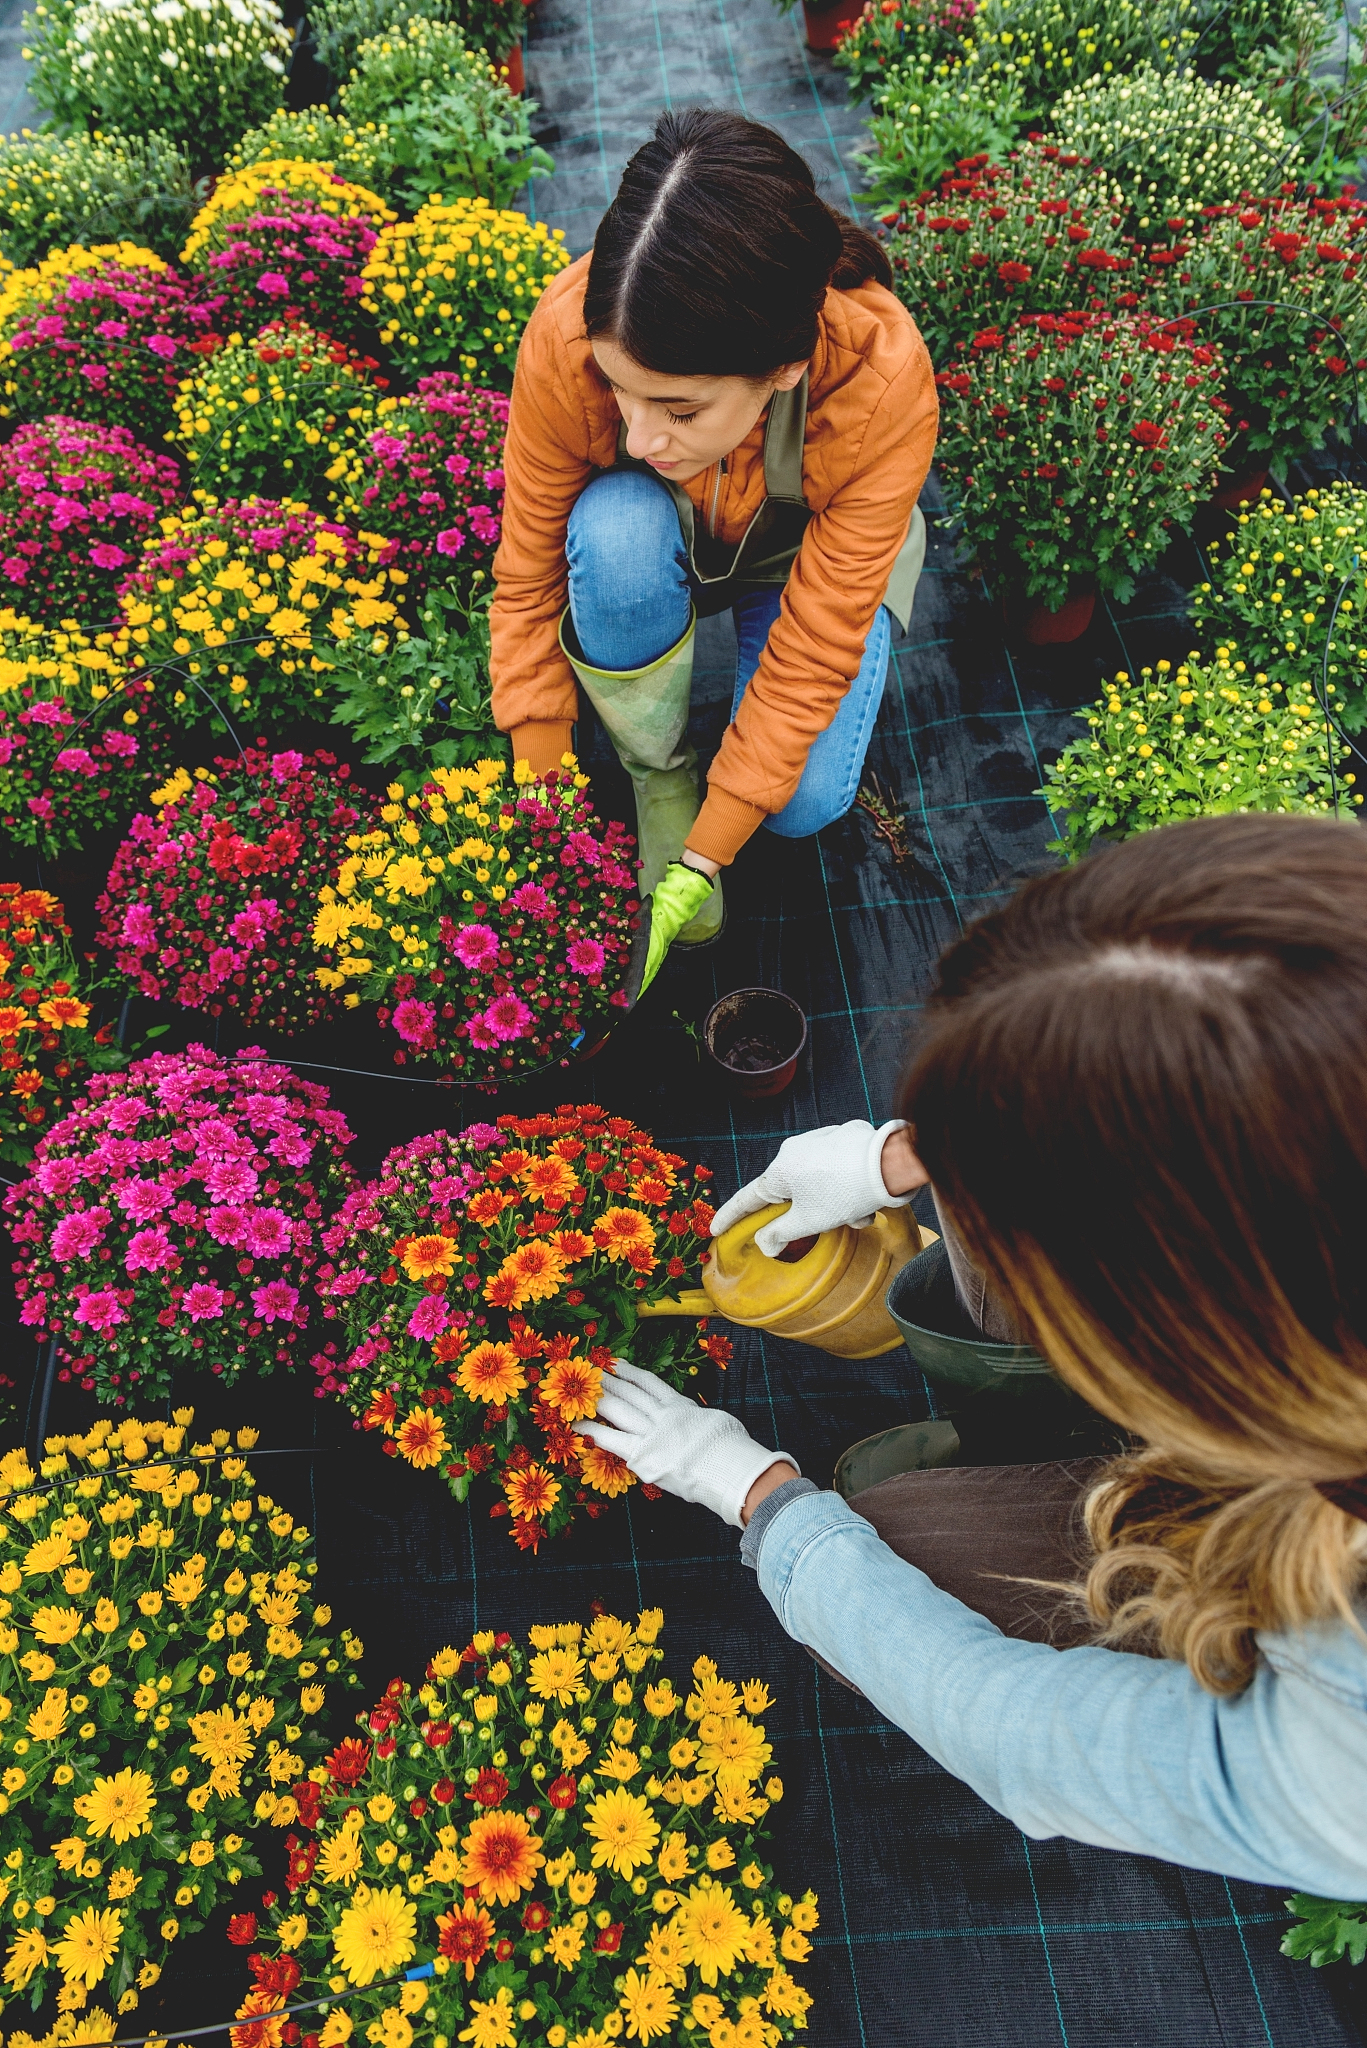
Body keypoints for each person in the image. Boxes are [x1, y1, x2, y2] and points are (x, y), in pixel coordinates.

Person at [575, 814, 1367, 1895]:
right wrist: (905, 1156)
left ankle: (1024, 1449)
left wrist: (758, 1497)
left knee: (893, 1545)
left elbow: (1019, 1733)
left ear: (1205, 1366)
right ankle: (1020, 1408)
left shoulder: (1347, 1736)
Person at [489, 108, 937, 986]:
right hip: (657, 531)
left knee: (801, 803)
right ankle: (658, 775)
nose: (643, 434)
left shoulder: (881, 379)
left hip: (799, 559)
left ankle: (707, 810)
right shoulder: (567, 334)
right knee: (611, 525)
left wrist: (707, 853)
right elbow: (528, 571)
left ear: (782, 370)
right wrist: (542, 805)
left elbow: (813, 649)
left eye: (681, 409)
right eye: (622, 395)